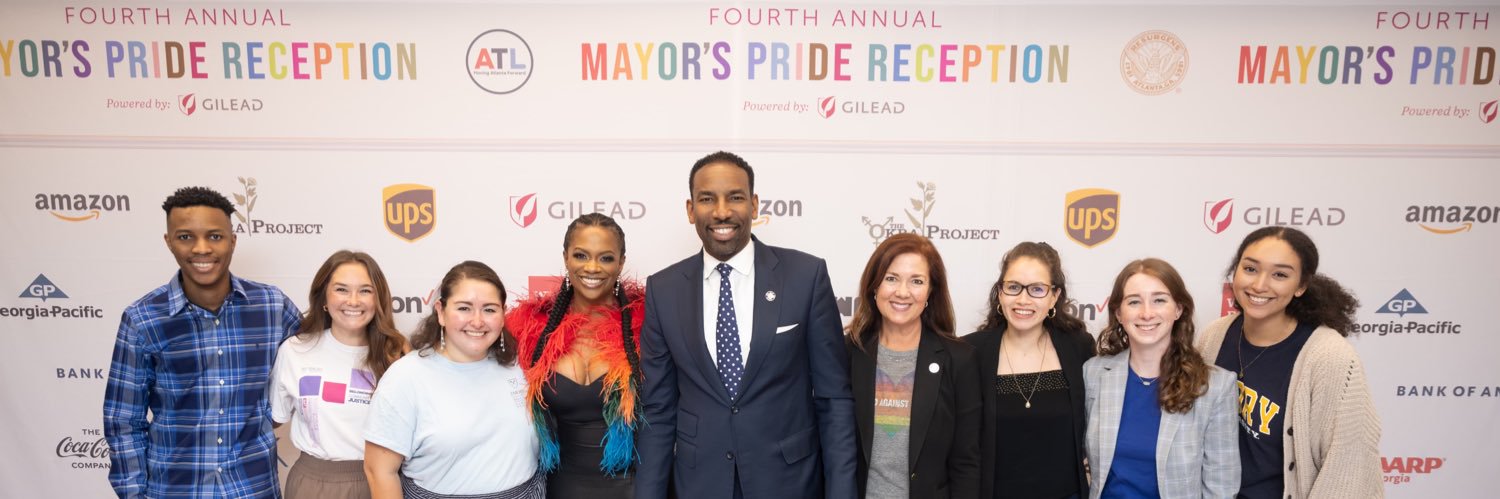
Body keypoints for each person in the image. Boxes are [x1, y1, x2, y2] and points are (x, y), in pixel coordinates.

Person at [636, 151, 858, 499]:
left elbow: (834, 400)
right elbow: (658, 411)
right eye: (707, 199)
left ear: (754, 205)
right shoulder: (663, 290)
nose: (722, 211)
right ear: (690, 209)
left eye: (735, 197)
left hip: (789, 483)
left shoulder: (805, 277)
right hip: (700, 485)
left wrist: (842, 493)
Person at [104, 186, 303, 498]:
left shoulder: (271, 306)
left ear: (232, 240)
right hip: (173, 489)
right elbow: (123, 422)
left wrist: (387, 348)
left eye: (214, 236)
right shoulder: (143, 319)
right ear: (169, 242)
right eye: (185, 237)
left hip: (253, 488)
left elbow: (325, 353)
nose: (201, 248)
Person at [1196, 227, 1381, 499]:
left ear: (1301, 286)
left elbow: (1349, 467)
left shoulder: (1329, 357)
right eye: (1250, 269)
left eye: (1280, 275)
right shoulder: (1215, 336)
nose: (1259, 285)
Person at [363, 261, 542, 499]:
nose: (477, 321)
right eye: (464, 308)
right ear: (440, 312)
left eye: (489, 309)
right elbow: (379, 471)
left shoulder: (521, 366)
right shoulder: (405, 377)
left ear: (502, 315)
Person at [508, 213, 644, 498]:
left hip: (638, 487)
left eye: (605, 258)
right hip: (563, 486)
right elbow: (472, 343)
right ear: (566, 257)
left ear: (621, 263)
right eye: (581, 255)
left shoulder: (649, 326)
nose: (592, 267)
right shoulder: (531, 328)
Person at [1084, 258, 1239, 499]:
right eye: (1134, 302)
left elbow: (1221, 485)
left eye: (1159, 300)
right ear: (1119, 313)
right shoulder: (1093, 373)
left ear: (1178, 309)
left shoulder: (1214, 386)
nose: (1147, 313)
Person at [845, 233, 980, 499]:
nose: (902, 292)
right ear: (874, 286)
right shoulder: (848, 352)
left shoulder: (959, 360)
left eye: (916, 281)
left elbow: (966, 462)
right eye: (891, 278)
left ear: (931, 291)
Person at [270, 250, 409, 498]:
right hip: (310, 484)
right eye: (342, 289)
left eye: (365, 290)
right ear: (324, 296)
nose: (353, 301)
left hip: (380, 483)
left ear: (379, 299)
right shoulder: (295, 351)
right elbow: (272, 419)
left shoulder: (398, 356)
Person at [963, 241, 1094, 499]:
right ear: (1000, 293)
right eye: (1013, 287)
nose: (1023, 300)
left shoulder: (1078, 347)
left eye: (1037, 289)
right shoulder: (971, 352)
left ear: (1054, 296)